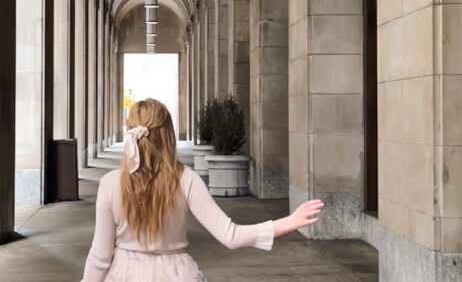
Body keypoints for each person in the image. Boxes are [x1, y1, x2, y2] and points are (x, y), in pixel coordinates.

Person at [81, 98, 324, 282]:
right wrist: (291, 221)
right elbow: (231, 235)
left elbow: (100, 257)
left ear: (130, 132)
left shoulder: (111, 183)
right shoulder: (186, 180)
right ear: (168, 136)